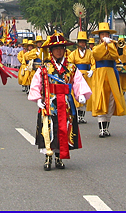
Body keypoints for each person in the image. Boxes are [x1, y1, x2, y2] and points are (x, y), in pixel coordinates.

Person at [28, 32, 91, 170]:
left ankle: (59, 157)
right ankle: (48, 157)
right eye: (56, 48)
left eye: (61, 48)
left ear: (65, 50)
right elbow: (36, 84)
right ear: (51, 51)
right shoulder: (44, 68)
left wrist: (80, 94)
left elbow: (78, 82)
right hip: (50, 102)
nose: (58, 51)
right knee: (49, 129)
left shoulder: (71, 67)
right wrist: (38, 98)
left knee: (64, 128)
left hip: (66, 103)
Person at [90, 23, 126, 137]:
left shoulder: (113, 46)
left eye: (106, 34)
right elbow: (96, 55)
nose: (105, 36)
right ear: (99, 36)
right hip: (100, 74)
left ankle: (106, 127)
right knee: (101, 99)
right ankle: (101, 128)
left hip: (111, 73)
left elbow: (116, 56)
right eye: (102, 34)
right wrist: (105, 44)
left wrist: (112, 44)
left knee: (111, 99)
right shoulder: (96, 47)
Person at [67, 31, 95, 124]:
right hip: (77, 77)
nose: (82, 44)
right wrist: (74, 72)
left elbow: (93, 63)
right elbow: (70, 64)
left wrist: (92, 70)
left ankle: (82, 116)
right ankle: (77, 115)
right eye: (80, 42)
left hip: (87, 76)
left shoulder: (90, 53)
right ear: (78, 43)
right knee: (77, 95)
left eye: (83, 42)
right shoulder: (73, 54)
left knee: (85, 95)